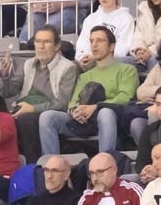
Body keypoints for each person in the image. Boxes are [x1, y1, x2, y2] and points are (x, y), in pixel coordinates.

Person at [37, 26, 138, 156]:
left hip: (113, 119)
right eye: (91, 41)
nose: (94, 45)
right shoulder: (85, 76)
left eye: (100, 40)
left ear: (112, 46)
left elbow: (125, 97)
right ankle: (50, 163)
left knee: (105, 113)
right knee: (47, 116)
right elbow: (73, 101)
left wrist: (96, 107)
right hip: (84, 121)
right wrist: (75, 111)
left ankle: (105, 160)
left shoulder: (127, 70)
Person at [0, 25, 78, 162]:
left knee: (26, 120)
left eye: (47, 42)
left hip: (50, 113)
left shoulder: (68, 68)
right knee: (0, 120)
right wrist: (5, 76)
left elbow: (62, 104)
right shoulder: (27, 64)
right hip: (24, 109)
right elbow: (7, 93)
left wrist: (33, 108)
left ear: (57, 46)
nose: (41, 46)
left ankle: (35, 166)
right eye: (38, 41)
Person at [77, 0, 135, 65]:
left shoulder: (126, 19)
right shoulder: (91, 18)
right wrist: (83, 57)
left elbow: (122, 47)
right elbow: (83, 42)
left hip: (111, 63)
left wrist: (98, 58)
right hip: (89, 61)